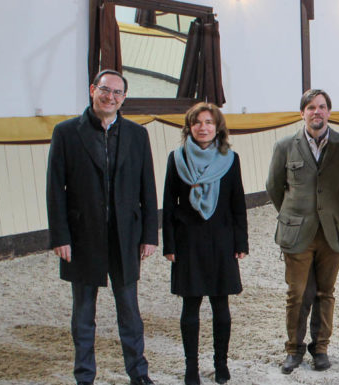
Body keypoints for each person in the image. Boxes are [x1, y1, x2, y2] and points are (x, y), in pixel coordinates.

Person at [46, 69, 158, 385]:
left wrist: (150, 234)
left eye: (118, 93)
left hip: (125, 238)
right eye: (105, 90)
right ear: (93, 90)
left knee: (130, 313)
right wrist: (60, 236)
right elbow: (55, 189)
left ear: (124, 98)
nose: (110, 97)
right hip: (82, 238)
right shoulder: (66, 132)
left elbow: (146, 188)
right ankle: (84, 376)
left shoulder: (138, 135)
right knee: (83, 314)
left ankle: (139, 373)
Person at [266, 89, 339, 374]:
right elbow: (274, 187)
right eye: (311, 107)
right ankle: (293, 349)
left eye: (322, 107)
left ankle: (320, 347)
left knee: (325, 292)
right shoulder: (285, 146)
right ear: (302, 113)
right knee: (297, 293)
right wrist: (293, 215)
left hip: (333, 233)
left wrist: (336, 210)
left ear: (329, 112)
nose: (317, 112)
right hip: (296, 233)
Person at [162, 102, 248, 385]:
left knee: (220, 306)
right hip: (188, 242)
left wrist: (241, 241)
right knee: (190, 308)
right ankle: (191, 367)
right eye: (197, 122)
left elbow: (238, 203)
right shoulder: (176, 159)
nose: (203, 127)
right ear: (189, 126)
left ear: (217, 127)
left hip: (222, 241)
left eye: (209, 122)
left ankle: (221, 364)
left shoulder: (230, 159)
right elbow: (169, 205)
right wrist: (169, 245)